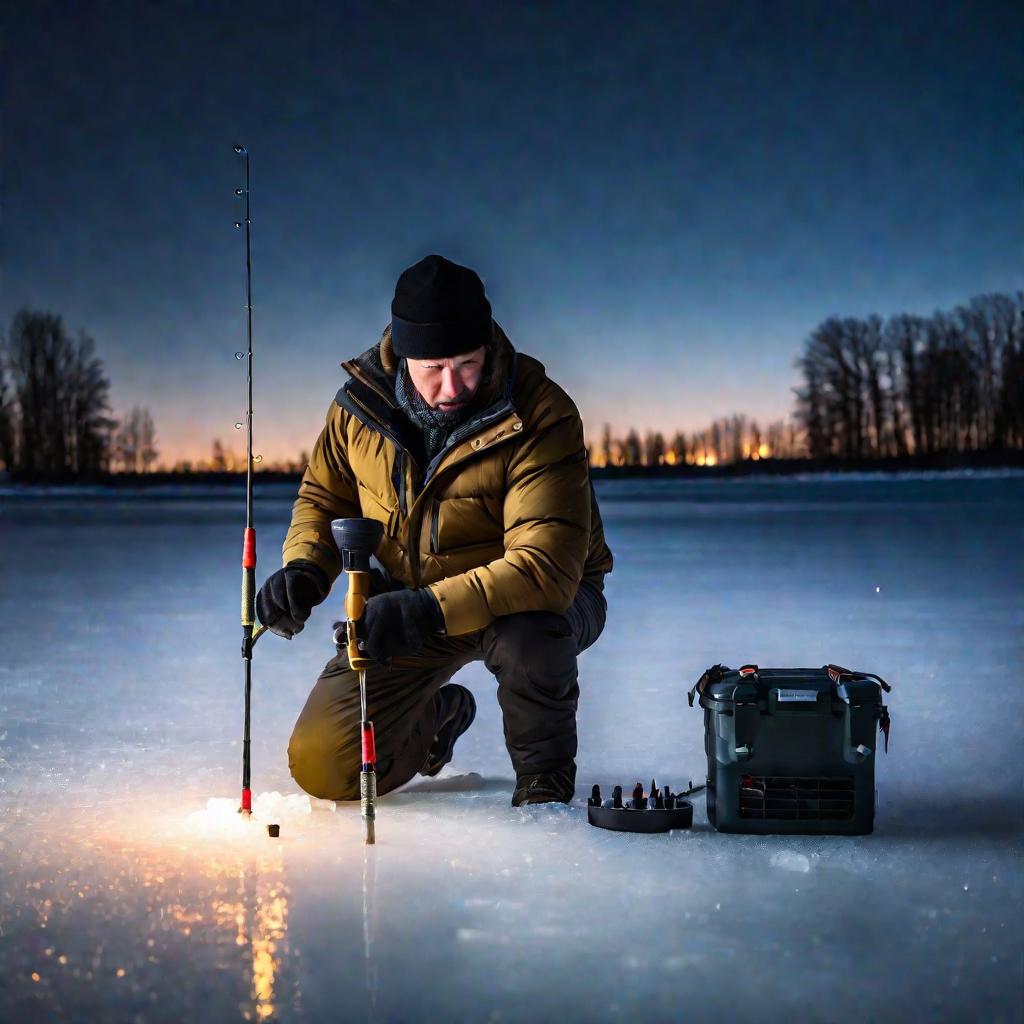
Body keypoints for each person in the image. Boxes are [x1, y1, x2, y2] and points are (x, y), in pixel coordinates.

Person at [256, 254, 613, 806]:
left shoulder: (541, 413)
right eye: (433, 368)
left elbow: (545, 569)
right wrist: (306, 566)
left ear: (488, 347)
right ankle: (437, 718)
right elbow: (325, 497)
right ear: (402, 355)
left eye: (468, 363)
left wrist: (424, 609)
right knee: (324, 766)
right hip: (409, 607)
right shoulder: (357, 408)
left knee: (527, 635)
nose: (452, 387)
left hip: (539, 602)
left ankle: (544, 783)